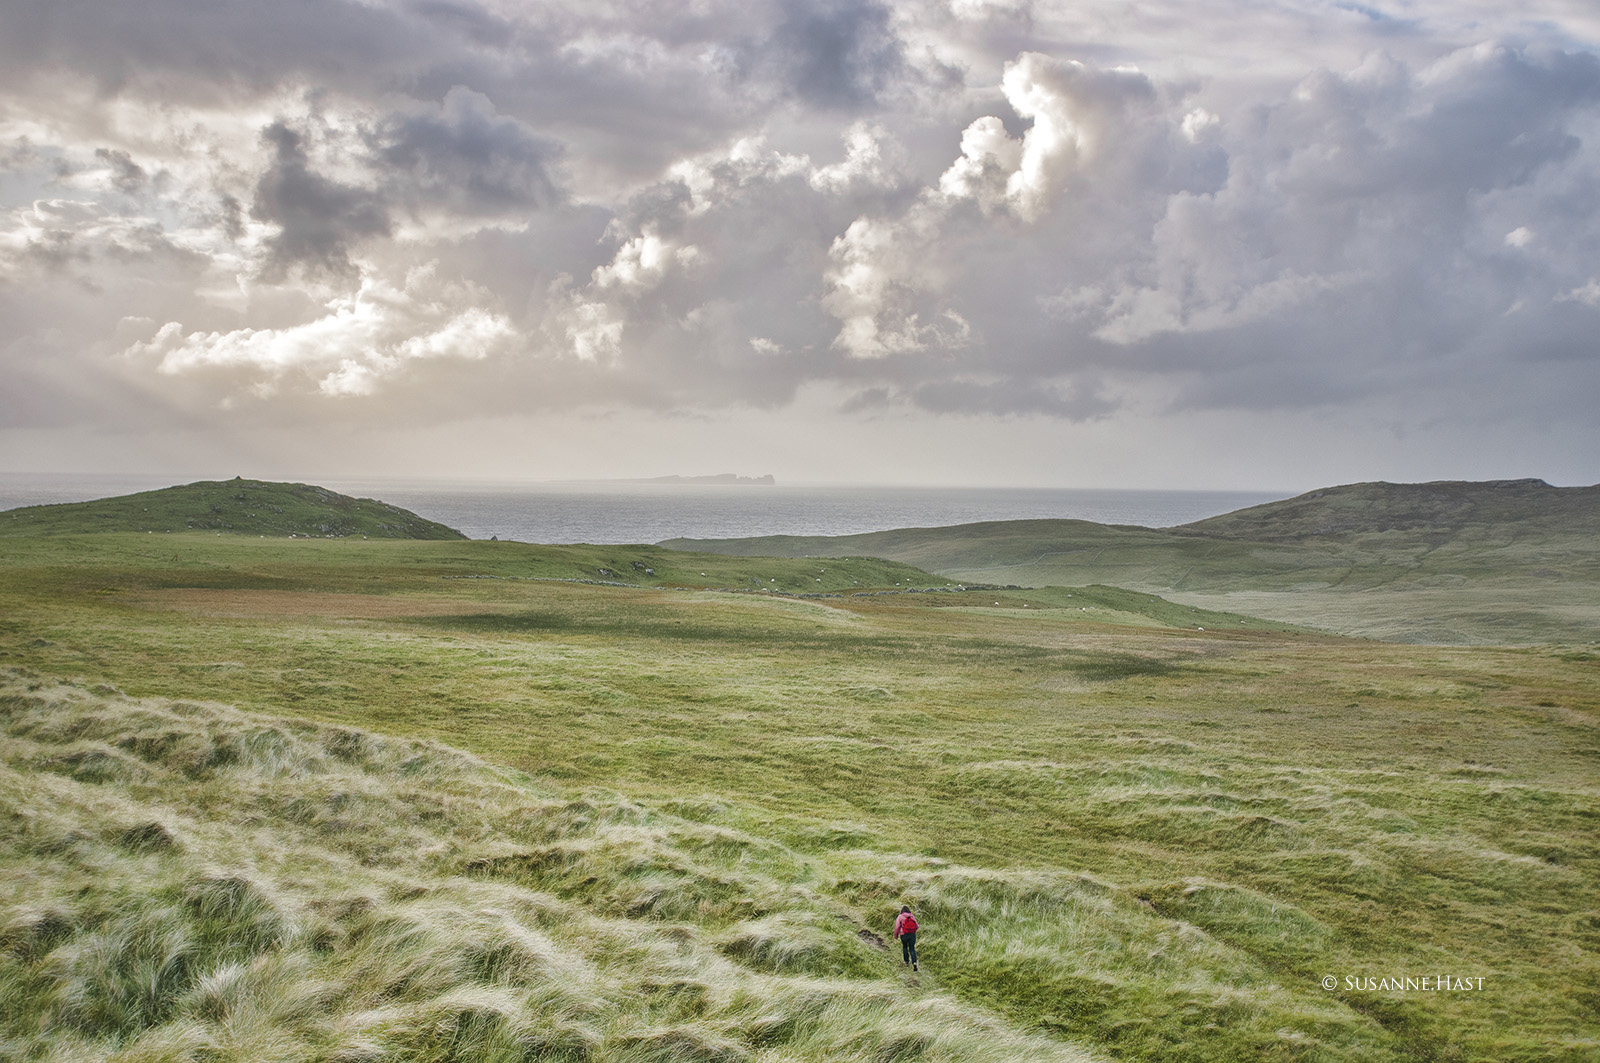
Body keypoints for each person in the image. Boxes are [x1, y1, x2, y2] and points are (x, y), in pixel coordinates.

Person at [893, 905, 918, 970]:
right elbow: (917, 926)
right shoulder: (911, 916)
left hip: (903, 934)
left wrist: (896, 935)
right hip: (912, 934)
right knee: (912, 948)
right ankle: (914, 962)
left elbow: (897, 927)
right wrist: (913, 931)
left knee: (905, 947)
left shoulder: (900, 916)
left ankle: (906, 962)